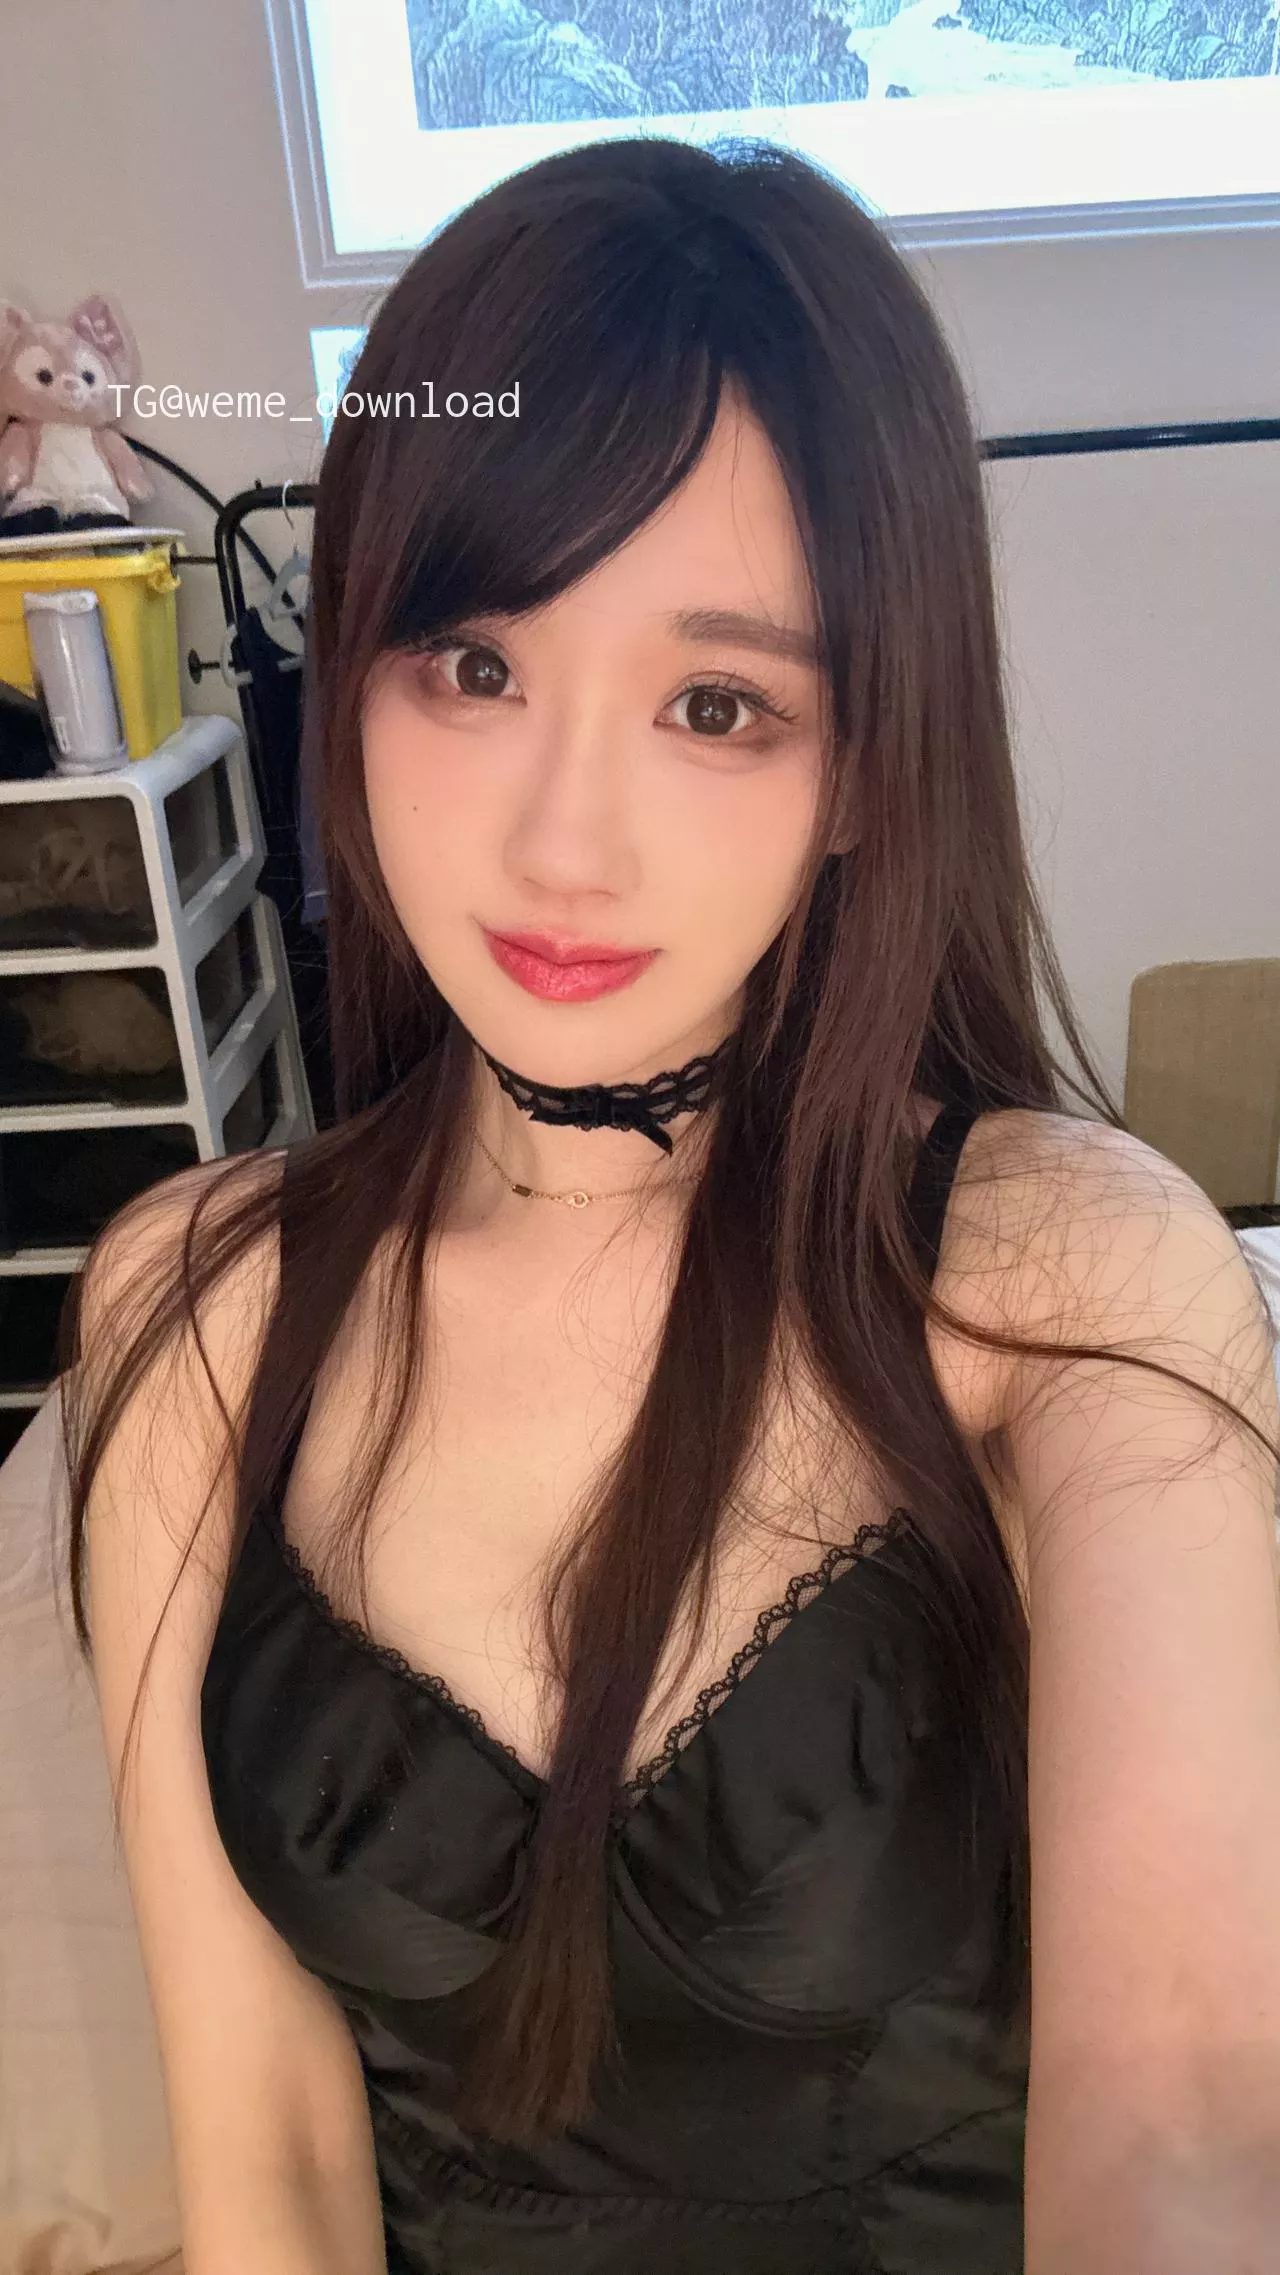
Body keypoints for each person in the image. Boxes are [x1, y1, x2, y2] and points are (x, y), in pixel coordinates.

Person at [62, 135, 1280, 2275]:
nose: (563, 840)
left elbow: (1181, 2136)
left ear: (863, 765)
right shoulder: (194, 1311)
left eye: (716, 705)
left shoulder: (1066, 1272)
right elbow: (269, 2165)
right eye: (473, 665)